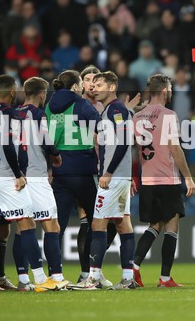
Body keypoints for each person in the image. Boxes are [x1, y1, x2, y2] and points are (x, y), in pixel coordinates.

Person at [0, 74, 59, 293]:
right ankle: (40, 279)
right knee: (26, 223)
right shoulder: (9, 113)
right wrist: (18, 173)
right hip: (4, 176)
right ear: (12, 92)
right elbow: (9, 146)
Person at [73, 71, 138, 290]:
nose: (95, 88)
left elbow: (123, 142)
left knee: (98, 223)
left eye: (100, 84)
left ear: (111, 87)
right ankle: (128, 278)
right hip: (120, 175)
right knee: (122, 223)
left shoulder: (117, 109)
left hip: (113, 177)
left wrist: (108, 173)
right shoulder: (110, 110)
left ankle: (94, 277)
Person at [44, 70, 109, 286]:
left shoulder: (48, 106)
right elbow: (100, 126)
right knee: (98, 221)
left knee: (56, 226)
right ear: (74, 86)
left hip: (58, 171)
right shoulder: (81, 104)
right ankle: (91, 273)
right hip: (81, 171)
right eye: (81, 82)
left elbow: (45, 138)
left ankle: (55, 275)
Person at [132, 74, 195, 288]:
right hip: (167, 178)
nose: (171, 92)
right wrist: (188, 177)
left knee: (154, 225)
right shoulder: (169, 115)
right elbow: (175, 148)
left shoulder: (137, 116)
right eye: (169, 89)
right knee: (172, 224)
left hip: (148, 179)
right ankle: (165, 278)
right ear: (164, 90)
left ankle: (134, 267)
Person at [16, 77, 70, 290]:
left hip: (17, 176)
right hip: (36, 175)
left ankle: (23, 279)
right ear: (41, 94)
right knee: (51, 225)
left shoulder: (13, 114)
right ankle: (55, 277)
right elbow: (46, 140)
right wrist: (55, 155)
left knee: (23, 227)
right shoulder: (38, 114)